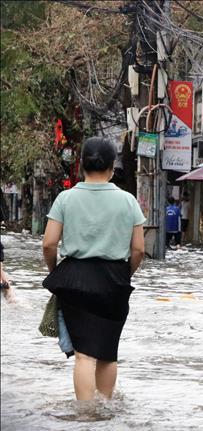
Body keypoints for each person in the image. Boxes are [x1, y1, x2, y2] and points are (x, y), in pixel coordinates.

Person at [42, 137, 145, 401]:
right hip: (115, 280)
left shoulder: (65, 199)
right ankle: (106, 410)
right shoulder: (128, 201)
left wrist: (56, 272)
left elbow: (49, 244)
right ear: (112, 167)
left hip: (74, 278)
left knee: (84, 356)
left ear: (82, 165)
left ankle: (86, 414)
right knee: (108, 353)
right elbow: (139, 250)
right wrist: (124, 274)